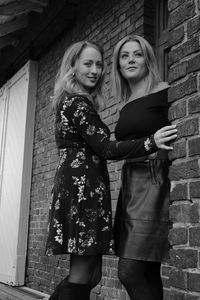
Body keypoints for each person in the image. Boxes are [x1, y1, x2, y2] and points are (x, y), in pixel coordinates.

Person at [45, 40, 177, 300]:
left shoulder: (81, 102)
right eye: (87, 63)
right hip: (82, 195)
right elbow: (106, 147)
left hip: (109, 189)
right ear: (72, 67)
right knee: (88, 275)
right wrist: (150, 142)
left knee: (94, 275)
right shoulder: (77, 104)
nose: (94, 70)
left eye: (98, 64)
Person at [111, 35, 176, 300]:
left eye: (137, 54)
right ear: (118, 64)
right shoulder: (125, 101)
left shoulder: (164, 90)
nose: (131, 60)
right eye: (124, 56)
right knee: (148, 270)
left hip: (154, 179)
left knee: (129, 271)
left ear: (148, 58)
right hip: (131, 185)